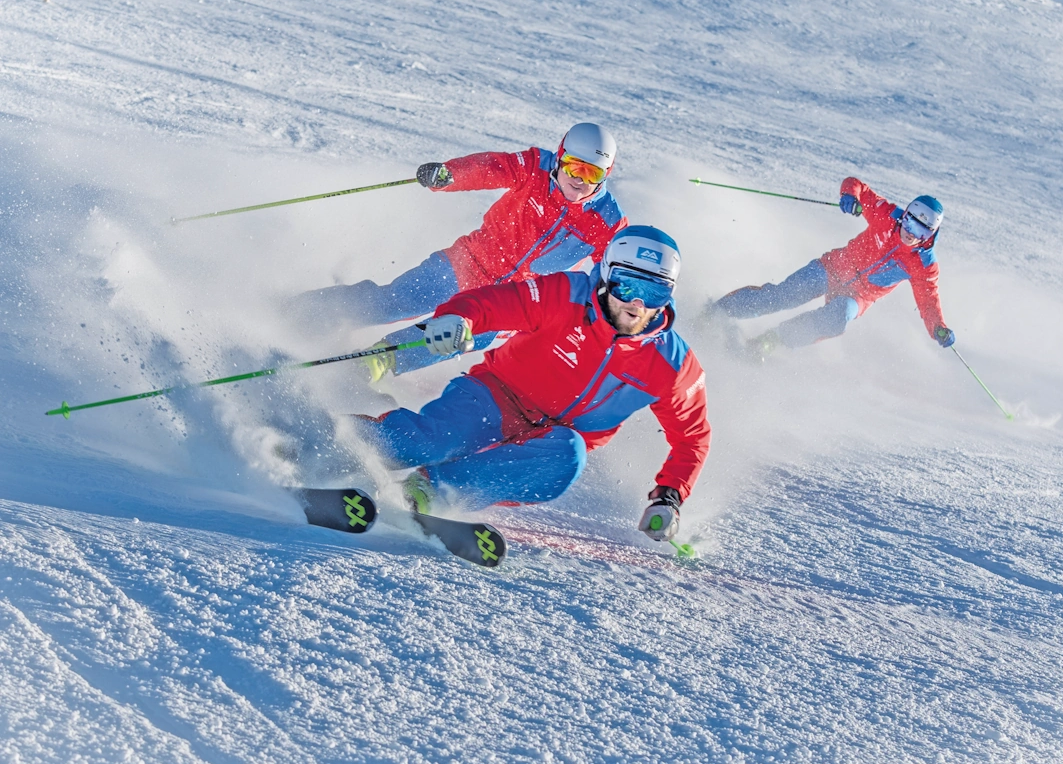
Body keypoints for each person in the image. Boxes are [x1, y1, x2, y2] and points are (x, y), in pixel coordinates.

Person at [352, 226, 710, 543]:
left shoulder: (672, 364)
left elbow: (692, 437)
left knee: (569, 456)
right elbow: (495, 303)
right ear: (605, 276)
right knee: (428, 442)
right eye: (628, 285)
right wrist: (459, 318)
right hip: (495, 396)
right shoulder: (566, 295)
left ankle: (429, 493)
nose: (637, 304)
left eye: (654, 293)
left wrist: (669, 496)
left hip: (552, 442)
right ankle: (337, 439)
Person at [294, 123, 628, 378]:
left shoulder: (607, 222)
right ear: (560, 156)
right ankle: (309, 312)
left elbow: (614, 274)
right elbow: (493, 167)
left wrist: (614, 319)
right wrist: (450, 175)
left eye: (592, 172)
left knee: (447, 336)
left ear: (606, 174)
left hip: (511, 300)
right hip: (468, 261)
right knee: (399, 300)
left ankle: (373, 365)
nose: (580, 179)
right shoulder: (535, 167)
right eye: (574, 166)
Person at [714, 177, 955, 356]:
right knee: (784, 295)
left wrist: (938, 328)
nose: (911, 235)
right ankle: (718, 312)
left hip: (859, 295)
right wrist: (849, 196)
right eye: (911, 225)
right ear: (906, 215)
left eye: (922, 232)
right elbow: (856, 185)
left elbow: (928, 299)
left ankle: (769, 342)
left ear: (931, 234)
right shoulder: (887, 216)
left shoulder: (923, 264)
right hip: (833, 269)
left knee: (837, 319)